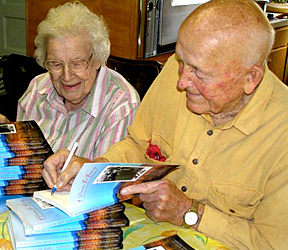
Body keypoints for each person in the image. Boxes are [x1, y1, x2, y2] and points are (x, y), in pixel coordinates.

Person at [42, 0, 288, 249]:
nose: (181, 81)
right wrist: (96, 171)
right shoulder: (175, 72)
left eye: (199, 74)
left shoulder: (282, 133)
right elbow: (138, 145)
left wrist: (188, 212)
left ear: (250, 78)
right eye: (181, 61)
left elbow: (272, 243)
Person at [0, 1, 140, 159]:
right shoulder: (38, 87)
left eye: (77, 63)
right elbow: (24, 159)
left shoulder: (121, 104)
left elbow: (104, 182)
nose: (66, 76)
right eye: (56, 64)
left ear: (97, 59)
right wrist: (7, 133)